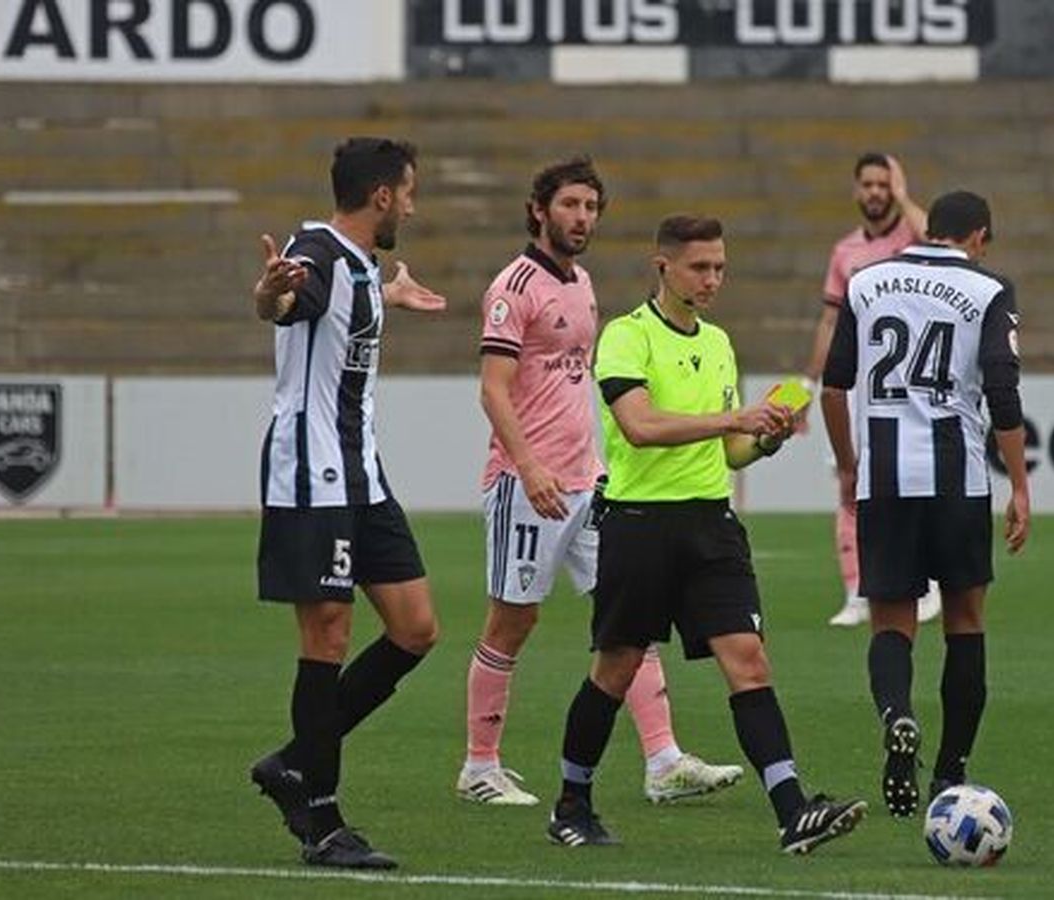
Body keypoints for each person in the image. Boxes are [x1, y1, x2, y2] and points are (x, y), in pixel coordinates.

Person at [546, 214, 868, 854]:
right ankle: (571, 803)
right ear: (662, 266)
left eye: (720, 267)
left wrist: (765, 439)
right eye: (700, 267)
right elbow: (639, 426)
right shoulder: (625, 337)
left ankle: (791, 811)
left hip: (711, 526)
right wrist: (735, 416)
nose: (713, 278)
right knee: (615, 669)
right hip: (640, 525)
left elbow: (730, 452)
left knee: (748, 660)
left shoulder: (719, 342)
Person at [461, 157, 742, 806]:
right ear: (539, 210)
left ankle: (663, 761)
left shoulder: (582, 283)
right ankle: (479, 766)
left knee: (630, 622)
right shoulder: (515, 285)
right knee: (513, 622)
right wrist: (529, 466)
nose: (582, 218)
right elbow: (493, 390)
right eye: (570, 206)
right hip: (526, 483)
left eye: (591, 207)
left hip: (591, 485)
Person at [247, 137, 449, 870]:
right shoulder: (317, 252)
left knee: (416, 628)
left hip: (362, 471)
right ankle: (322, 822)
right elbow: (282, 302)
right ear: (384, 196)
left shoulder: (358, 266)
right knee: (328, 636)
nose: (414, 205)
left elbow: (339, 307)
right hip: (313, 474)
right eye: (411, 191)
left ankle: (295, 761)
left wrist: (387, 295)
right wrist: (270, 290)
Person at [819, 189, 1031, 819]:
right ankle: (949, 773)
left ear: (928, 230)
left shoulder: (866, 282)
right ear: (980, 237)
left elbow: (833, 385)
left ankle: (898, 716)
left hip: (884, 479)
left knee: (892, 624)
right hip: (957, 479)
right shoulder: (990, 290)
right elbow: (1003, 389)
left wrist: (849, 464)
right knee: (965, 624)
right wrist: (1019, 484)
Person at [804, 153, 938, 628]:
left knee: (909, 482)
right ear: (856, 190)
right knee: (848, 484)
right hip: (859, 383)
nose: (877, 192)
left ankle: (926, 585)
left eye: (885, 184)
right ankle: (857, 592)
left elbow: (940, 242)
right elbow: (828, 319)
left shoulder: (914, 239)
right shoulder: (845, 252)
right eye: (869, 184)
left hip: (908, 384)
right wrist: (809, 383)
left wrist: (907, 198)